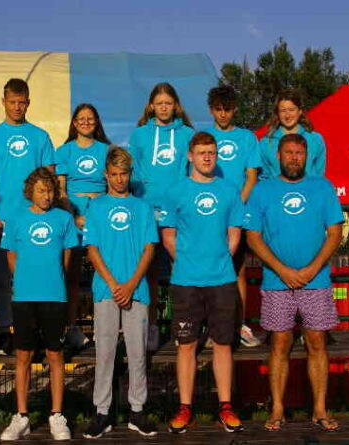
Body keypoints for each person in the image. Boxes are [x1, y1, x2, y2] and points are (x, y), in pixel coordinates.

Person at [244, 133, 344, 432]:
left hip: (317, 281)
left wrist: (312, 269)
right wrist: (282, 270)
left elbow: (335, 233)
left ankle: (320, 408)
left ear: (307, 156)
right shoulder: (262, 190)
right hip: (277, 281)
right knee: (279, 343)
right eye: (288, 152)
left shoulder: (322, 187)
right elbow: (253, 236)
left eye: (299, 153)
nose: (294, 158)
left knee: (317, 342)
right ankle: (277, 408)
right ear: (278, 156)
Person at [159, 132, 245, 434]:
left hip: (222, 280)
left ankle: (225, 407)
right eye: (201, 152)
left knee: (223, 344)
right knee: (186, 346)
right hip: (186, 282)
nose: (207, 157)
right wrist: (189, 262)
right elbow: (168, 237)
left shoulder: (229, 190)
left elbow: (234, 235)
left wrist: (217, 260)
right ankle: (185, 408)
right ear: (190, 156)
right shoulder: (175, 191)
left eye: (211, 152)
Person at [82, 147, 158, 439]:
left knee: (138, 353)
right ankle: (102, 412)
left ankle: (137, 411)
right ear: (106, 175)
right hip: (106, 290)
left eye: (123, 174)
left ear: (130, 174)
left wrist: (130, 284)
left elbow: (149, 248)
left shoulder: (142, 207)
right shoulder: (96, 207)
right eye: (113, 174)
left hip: (136, 290)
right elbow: (92, 249)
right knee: (105, 353)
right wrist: (114, 284)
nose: (119, 179)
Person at [0, 78, 56, 355]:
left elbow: (49, 176)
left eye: (22, 102)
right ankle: (5, 330)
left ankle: (34, 330)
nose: (17, 107)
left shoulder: (40, 136)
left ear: (28, 103)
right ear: (4, 102)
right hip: (2, 220)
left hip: (34, 219)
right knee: (1, 279)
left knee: (34, 277)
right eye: (12, 102)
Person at [0, 167, 77, 441]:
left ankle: (56, 415)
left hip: (54, 297)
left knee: (55, 355)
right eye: (41, 190)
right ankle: (21, 416)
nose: (47, 195)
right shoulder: (16, 218)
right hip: (24, 297)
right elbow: (11, 257)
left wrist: (50, 279)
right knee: (23, 355)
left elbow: (66, 259)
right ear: (30, 192)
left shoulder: (64, 219)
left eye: (51, 190)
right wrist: (26, 280)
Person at [128, 82, 195, 350]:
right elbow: (133, 172)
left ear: (175, 105)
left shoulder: (188, 134)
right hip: (147, 209)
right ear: (151, 106)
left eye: (168, 103)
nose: (164, 107)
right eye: (159, 103)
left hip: (178, 210)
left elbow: (192, 173)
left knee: (182, 270)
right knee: (150, 273)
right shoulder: (139, 135)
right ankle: (151, 327)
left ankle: (184, 326)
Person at [203, 85, 262, 348]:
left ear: (234, 109)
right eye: (218, 109)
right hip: (210, 215)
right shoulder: (204, 138)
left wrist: (236, 205)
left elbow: (251, 177)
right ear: (211, 110)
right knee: (210, 270)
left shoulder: (247, 138)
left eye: (227, 109)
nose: (223, 114)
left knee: (238, 270)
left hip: (239, 215)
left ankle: (240, 324)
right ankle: (211, 327)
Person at [55, 103, 110, 349]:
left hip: (101, 217)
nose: (86, 122)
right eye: (81, 119)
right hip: (73, 218)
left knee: (105, 273)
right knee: (72, 274)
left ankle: (104, 326)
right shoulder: (64, 151)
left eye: (90, 118)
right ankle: (71, 327)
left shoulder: (106, 150)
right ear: (74, 123)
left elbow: (112, 186)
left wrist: (100, 216)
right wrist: (73, 216)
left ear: (96, 122)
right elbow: (61, 190)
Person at [258, 89, 326, 180]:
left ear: (300, 111)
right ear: (277, 113)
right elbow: (264, 177)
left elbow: (319, 174)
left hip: (309, 189)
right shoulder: (266, 143)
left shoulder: (315, 139)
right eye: (283, 111)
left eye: (291, 110)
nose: (287, 115)